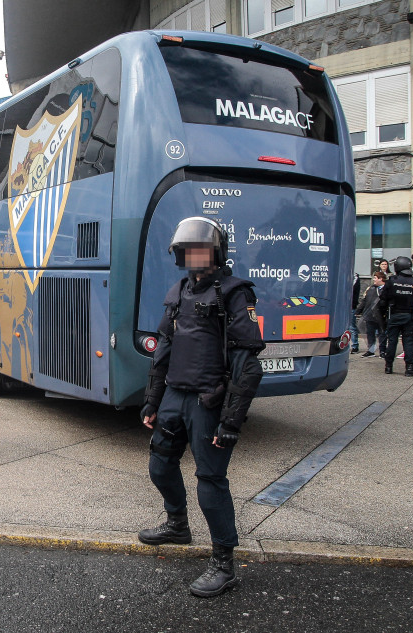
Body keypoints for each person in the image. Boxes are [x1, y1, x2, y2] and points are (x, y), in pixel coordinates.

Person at [138, 217, 264, 598]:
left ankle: (223, 563)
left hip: (209, 400)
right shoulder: (177, 292)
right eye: (186, 252)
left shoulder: (234, 294)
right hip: (175, 396)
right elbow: (163, 349)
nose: (194, 259)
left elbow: (248, 365)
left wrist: (231, 421)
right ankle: (177, 525)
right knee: (159, 464)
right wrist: (152, 400)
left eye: (201, 252)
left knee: (210, 482)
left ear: (217, 253)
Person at [380, 256, 413, 377]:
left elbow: (383, 301)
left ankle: (388, 366)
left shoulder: (391, 281)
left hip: (394, 315)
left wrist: (383, 318)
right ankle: (409, 368)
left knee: (392, 341)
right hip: (408, 316)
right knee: (408, 342)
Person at [356, 271, 387, 358]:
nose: (373, 280)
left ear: (380, 279)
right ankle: (371, 350)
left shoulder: (387, 289)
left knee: (382, 334)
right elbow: (365, 300)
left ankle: (383, 351)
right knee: (370, 334)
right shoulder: (371, 289)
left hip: (381, 316)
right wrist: (358, 310)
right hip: (370, 316)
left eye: (375, 278)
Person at [349, 272, 360, 354]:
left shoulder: (355, 277)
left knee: (352, 327)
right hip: (342, 305)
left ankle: (355, 345)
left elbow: (351, 290)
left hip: (351, 305)